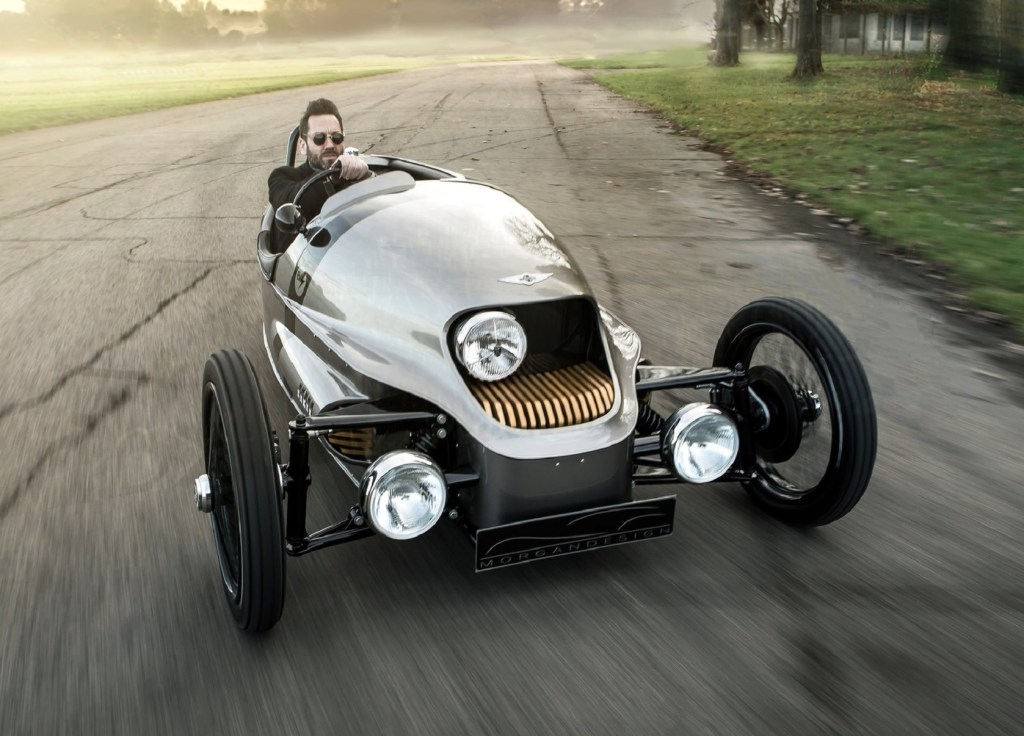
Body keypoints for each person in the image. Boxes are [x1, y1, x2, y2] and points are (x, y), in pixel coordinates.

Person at [268, 98, 373, 220]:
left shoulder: (358, 171)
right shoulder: (282, 177)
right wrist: (331, 179)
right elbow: (290, 204)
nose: (330, 145)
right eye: (319, 138)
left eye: (336, 137)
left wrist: (368, 176)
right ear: (303, 146)